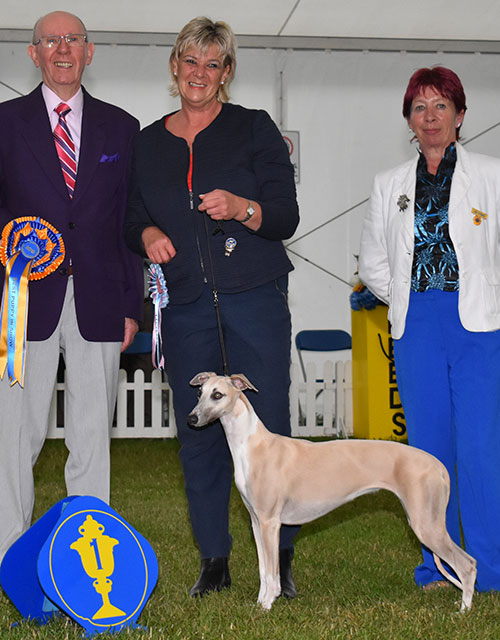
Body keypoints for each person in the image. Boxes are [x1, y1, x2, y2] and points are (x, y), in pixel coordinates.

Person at [125, 17, 300, 597]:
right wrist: (148, 231)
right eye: (190, 61)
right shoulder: (148, 142)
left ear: (226, 74)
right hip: (185, 307)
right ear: (174, 67)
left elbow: (284, 215)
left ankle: (281, 563)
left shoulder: (254, 128)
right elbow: (129, 219)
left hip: (255, 298)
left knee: (271, 428)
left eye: (212, 64)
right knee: (198, 430)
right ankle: (215, 561)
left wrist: (244, 207)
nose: (199, 74)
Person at [0, 11, 143, 562]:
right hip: (25, 300)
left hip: (101, 301)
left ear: (89, 52)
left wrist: (132, 303)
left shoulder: (122, 127)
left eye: (74, 40)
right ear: (33, 54)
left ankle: (89, 565)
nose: (63, 49)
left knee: (91, 439)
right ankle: (10, 560)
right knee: (16, 437)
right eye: (51, 41)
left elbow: (130, 220)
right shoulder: (5, 123)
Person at [359, 66, 500, 592]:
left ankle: (489, 569)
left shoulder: (492, 173)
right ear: (409, 121)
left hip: (480, 327)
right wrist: (407, 299)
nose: (431, 116)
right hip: (415, 324)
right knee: (428, 451)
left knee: (481, 446)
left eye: (441, 106)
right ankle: (437, 564)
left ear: (460, 115)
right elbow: (373, 263)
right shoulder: (387, 183)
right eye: (420, 107)